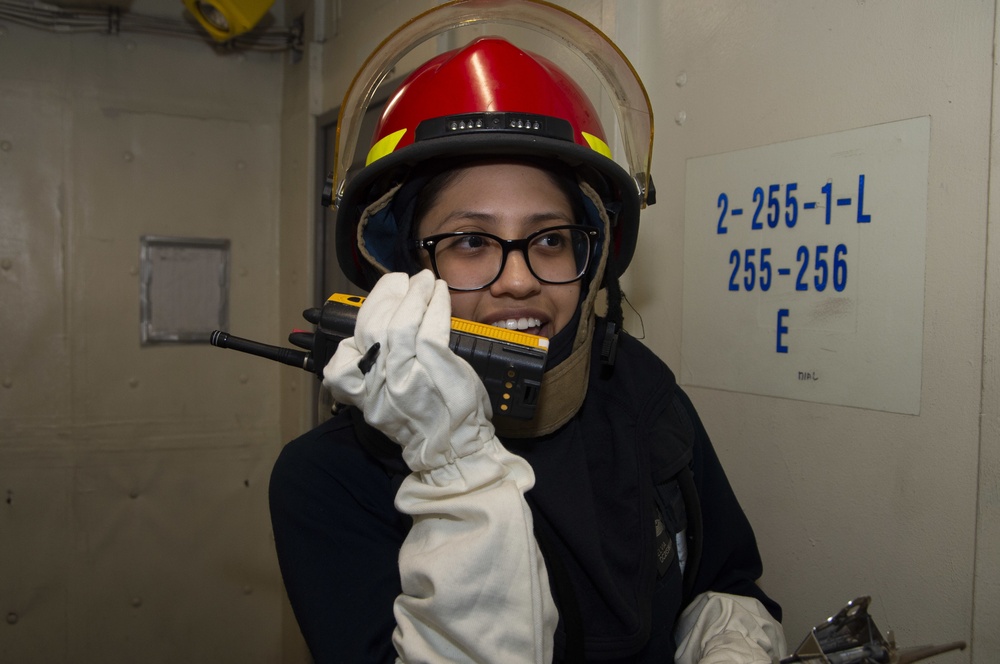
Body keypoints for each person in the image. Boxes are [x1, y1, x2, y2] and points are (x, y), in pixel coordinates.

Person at [269, 2, 787, 662]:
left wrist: (729, 635)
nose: (519, 280)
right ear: (404, 270)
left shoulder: (644, 396)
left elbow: (724, 582)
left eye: (549, 238)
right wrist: (452, 469)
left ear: (591, 258)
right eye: (470, 241)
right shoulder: (330, 478)